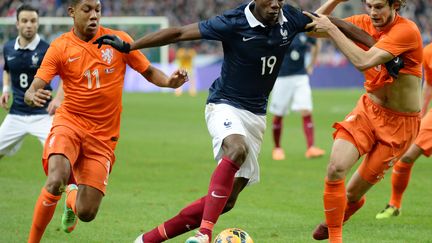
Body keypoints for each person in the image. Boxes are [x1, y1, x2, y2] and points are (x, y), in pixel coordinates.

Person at [94, 1, 393, 242]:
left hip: (255, 116)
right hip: (224, 104)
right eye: (270, 0)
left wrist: (382, 51)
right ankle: (204, 235)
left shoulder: (288, 16)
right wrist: (130, 47)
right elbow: (178, 33)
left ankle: (146, 240)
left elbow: (334, 23)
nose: (276, 5)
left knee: (227, 201)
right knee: (235, 150)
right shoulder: (233, 22)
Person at [24, 1, 188, 242]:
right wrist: (30, 95)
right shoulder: (60, 47)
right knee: (56, 177)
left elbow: (149, 71)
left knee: (87, 212)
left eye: (98, 10)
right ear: (72, 12)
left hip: (103, 137)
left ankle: (71, 200)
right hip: (69, 122)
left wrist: (169, 82)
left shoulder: (117, 41)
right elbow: (36, 86)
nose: (94, 15)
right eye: (87, 9)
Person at [304, 0, 423, 242]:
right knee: (336, 168)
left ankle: (345, 210)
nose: (373, 12)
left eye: (379, 6)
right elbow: (311, 27)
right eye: (369, 6)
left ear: (395, 5)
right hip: (368, 111)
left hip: (400, 126)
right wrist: (335, 1)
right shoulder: (362, 23)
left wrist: (333, 27)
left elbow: (364, 61)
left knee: (352, 194)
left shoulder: (406, 31)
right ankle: (336, 237)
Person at [375, 42, 432, 219]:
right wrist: (420, 115)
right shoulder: (428, 52)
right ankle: (394, 205)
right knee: (406, 156)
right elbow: (428, 85)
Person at [0, 4, 63, 160]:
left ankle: (67, 184)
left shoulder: (47, 49)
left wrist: (58, 98)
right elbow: (7, 69)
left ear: (38, 23)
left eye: (33, 21)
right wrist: (6, 89)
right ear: (17, 23)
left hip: (43, 114)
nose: (29, 25)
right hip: (16, 113)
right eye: (25, 21)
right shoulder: (8, 48)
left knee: (59, 159)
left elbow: (66, 75)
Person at [269, 32, 325, 160]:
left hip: (301, 76)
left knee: (306, 110)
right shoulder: (278, 29)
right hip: (282, 78)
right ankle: (277, 148)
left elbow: (317, 43)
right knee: (279, 113)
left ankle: (311, 148)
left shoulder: (303, 30)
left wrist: (311, 64)